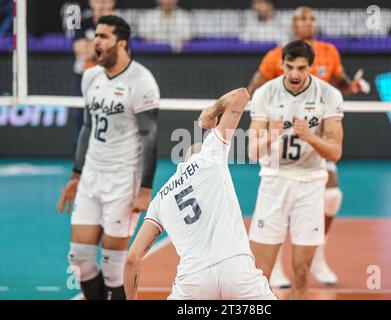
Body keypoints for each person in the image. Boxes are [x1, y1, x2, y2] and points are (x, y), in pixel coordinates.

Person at [247, 6, 368, 287]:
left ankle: (316, 256)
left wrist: (354, 87)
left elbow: (341, 83)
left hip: (317, 132)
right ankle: (275, 265)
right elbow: (254, 87)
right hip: (279, 149)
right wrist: (257, 115)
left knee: (333, 195)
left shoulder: (329, 52)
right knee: (278, 214)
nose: (307, 22)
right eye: (301, 17)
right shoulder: (274, 58)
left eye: (311, 17)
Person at [124, 88, 276, 300]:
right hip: (238, 271)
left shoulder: (159, 200)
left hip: (194, 282)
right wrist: (213, 111)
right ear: (200, 151)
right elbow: (241, 96)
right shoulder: (209, 157)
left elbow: (132, 258)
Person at [57, 15, 160, 300]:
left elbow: (149, 138)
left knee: (113, 268)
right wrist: (76, 175)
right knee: (79, 261)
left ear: (121, 43)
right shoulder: (90, 77)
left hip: (123, 180)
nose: (95, 42)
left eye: (103, 37)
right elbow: (88, 127)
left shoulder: (142, 81)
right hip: (91, 177)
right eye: (96, 36)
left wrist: (145, 190)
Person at [247, 40, 344, 299]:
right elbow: (251, 151)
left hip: (310, 183)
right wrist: (270, 136)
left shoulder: (329, 95)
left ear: (312, 67)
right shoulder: (265, 93)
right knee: (259, 272)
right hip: (274, 180)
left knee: (301, 272)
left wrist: (310, 137)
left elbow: (335, 152)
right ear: (282, 64)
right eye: (289, 67)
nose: (294, 74)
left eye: (301, 68)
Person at [72, 0, 116, 140]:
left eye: (106, 0)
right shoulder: (83, 23)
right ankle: (79, 151)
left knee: (112, 114)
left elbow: (121, 54)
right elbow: (80, 51)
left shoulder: (119, 26)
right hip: (85, 78)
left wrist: (91, 46)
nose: (102, 3)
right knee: (82, 115)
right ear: (91, 2)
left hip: (111, 79)